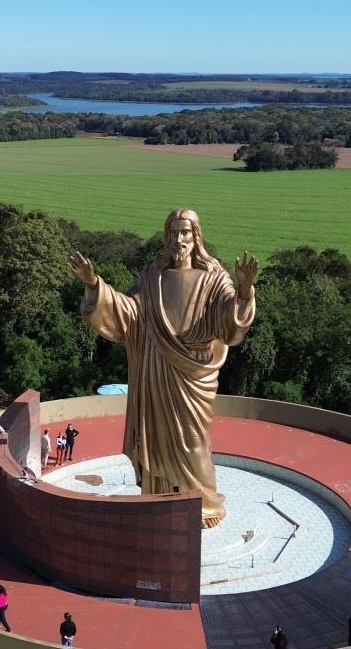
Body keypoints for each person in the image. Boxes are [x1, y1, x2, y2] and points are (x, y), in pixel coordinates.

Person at [69, 209, 257, 528]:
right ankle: (159, 496)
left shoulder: (213, 278)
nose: (178, 239)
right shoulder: (151, 277)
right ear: (166, 236)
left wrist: (243, 291)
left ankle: (203, 503)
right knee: (156, 439)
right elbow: (128, 312)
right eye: (173, 232)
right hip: (154, 368)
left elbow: (230, 325)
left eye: (185, 232)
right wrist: (94, 284)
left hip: (193, 373)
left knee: (193, 442)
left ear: (196, 236)